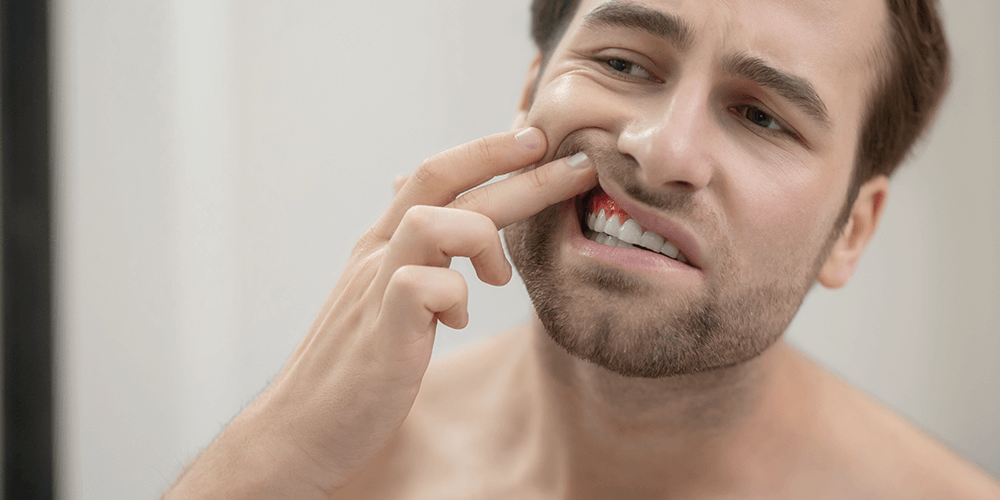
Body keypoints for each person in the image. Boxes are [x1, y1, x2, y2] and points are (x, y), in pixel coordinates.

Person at [164, 0, 1000, 498]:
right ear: (530, 96)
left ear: (851, 229)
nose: (660, 149)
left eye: (761, 116)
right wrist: (272, 457)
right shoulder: (322, 465)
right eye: (623, 62)